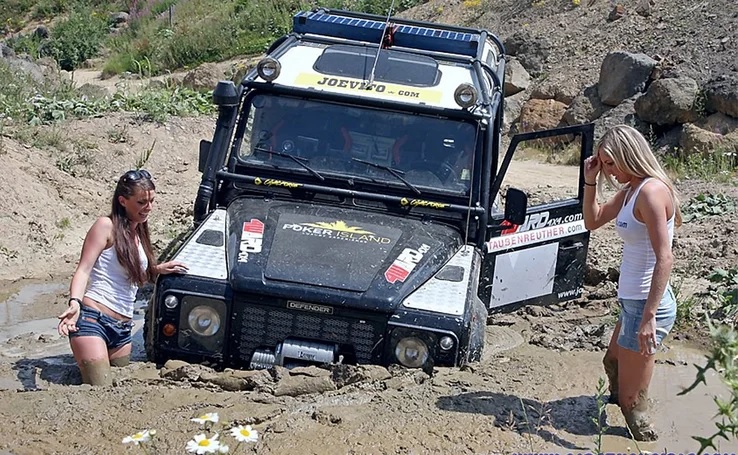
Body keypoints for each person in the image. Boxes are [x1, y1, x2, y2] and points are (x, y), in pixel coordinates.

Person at [582, 124, 681, 441]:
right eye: (604, 163)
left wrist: (649, 318)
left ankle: (640, 433)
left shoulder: (651, 192)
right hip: (631, 303)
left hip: (646, 307)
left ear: (629, 155)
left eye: (611, 163)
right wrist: (590, 180)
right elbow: (592, 220)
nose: (609, 171)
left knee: (631, 404)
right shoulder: (630, 191)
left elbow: (665, 258)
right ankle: (625, 395)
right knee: (611, 361)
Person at [57, 169, 188, 386]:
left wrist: (156, 269)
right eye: (141, 202)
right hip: (93, 321)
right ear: (122, 201)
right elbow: (83, 269)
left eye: (152, 201)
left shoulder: (139, 232)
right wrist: (74, 303)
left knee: (119, 389)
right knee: (100, 389)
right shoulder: (105, 226)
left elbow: (130, 275)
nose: (149, 208)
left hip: (123, 331)